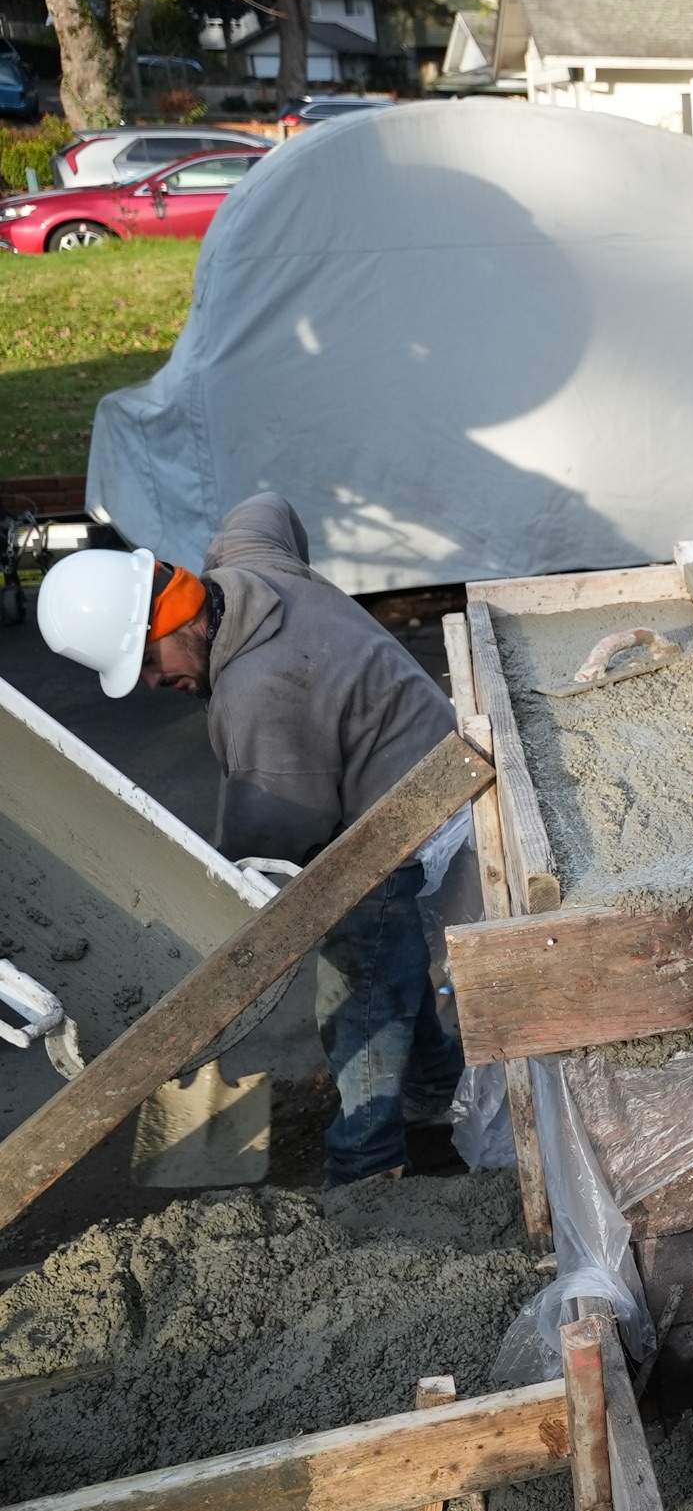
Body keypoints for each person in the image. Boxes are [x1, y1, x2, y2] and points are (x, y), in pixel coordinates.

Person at [38, 496, 471, 1184]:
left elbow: (261, 853)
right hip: (424, 749)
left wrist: (201, 960)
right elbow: (268, 506)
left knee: (357, 992)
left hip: (402, 817)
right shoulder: (246, 562)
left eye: (147, 661)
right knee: (392, 976)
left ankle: (367, 1167)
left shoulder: (259, 694)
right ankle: (433, 1102)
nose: (154, 681)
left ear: (173, 614)